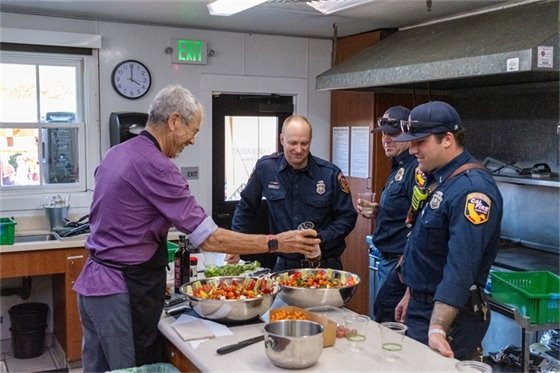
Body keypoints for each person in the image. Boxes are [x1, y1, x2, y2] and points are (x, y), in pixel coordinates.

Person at [72, 85, 320, 372]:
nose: (193, 140)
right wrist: (276, 242)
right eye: (194, 130)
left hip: (93, 288)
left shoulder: (118, 153)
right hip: (119, 292)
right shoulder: (157, 166)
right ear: (174, 121)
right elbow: (209, 239)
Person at [392, 101, 503, 360]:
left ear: (448, 139)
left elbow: (460, 267)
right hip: (423, 308)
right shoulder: (441, 180)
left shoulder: (472, 191)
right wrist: (411, 293)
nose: (413, 150)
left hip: (449, 318)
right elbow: (427, 250)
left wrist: (438, 328)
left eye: (420, 142)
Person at [231, 115, 357, 271]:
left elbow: (347, 217)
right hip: (284, 265)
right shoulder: (266, 168)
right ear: (282, 139)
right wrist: (235, 244)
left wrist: (320, 239)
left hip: (324, 264)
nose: (299, 149)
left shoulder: (329, 174)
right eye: (293, 143)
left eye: (304, 143)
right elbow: (245, 208)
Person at [356, 105, 415, 323]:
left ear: (410, 134)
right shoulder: (397, 166)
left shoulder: (414, 170)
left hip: (398, 262)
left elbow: (417, 224)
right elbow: (405, 212)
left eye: (393, 133)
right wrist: (379, 212)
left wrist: (404, 269)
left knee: (389, 324)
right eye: (383, 133)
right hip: (385, 258)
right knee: (382, 319)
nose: (386, 139)